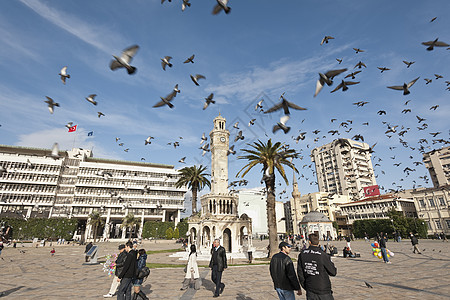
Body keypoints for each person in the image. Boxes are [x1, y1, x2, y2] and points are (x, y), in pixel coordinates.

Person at [297, 233, 337, 300]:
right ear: (318, 242)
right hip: (323, 289)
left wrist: (305, 286)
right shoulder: (323, 255)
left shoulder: (302, 254)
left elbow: (300, 273)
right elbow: (333, 272)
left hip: (310, 288)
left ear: (309, 242)